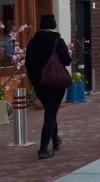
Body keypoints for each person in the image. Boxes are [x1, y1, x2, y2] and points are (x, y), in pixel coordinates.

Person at [24, 14, 72, 160]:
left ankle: (55, 141)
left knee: (51, 112)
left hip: (39, 84)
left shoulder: (32, 42)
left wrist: (34, 81)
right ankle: (43, 149)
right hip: (56, 83)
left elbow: (28, 63)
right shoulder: (58, 41)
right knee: (50, 114)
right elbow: (67, 61)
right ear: (53, 25)